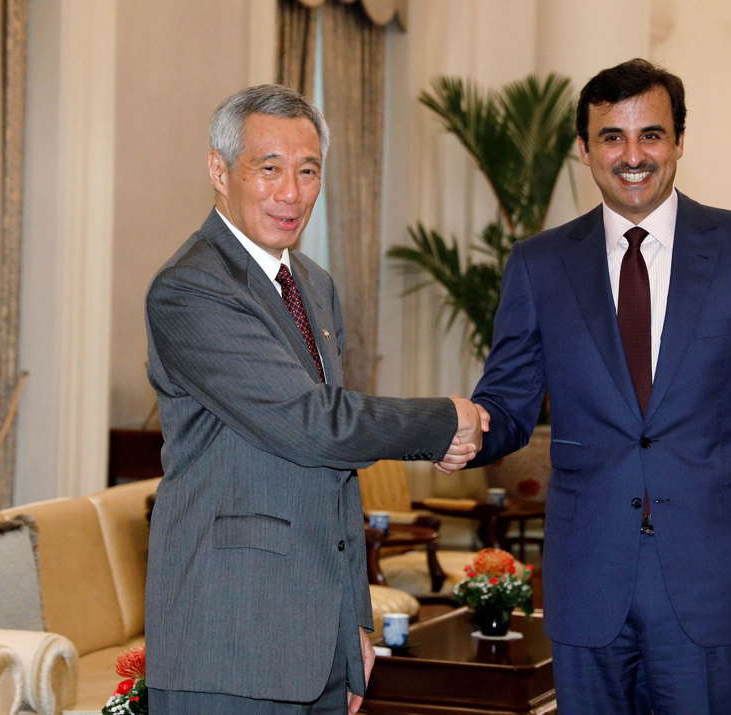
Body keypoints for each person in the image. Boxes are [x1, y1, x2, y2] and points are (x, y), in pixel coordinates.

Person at [455, 59, 731, 713]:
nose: (632, 155)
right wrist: (444, 427)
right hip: (589, 581)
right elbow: (505, 407)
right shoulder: (539, 265)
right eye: (612, 137)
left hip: (712, 584)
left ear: (679, 140)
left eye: (650, 134)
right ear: (585, 148)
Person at [144, 84, 486, 714]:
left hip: (318, 647)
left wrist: (352, 622)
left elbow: (333, 475)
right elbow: (312, 426)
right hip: (230, 646)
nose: (291, 192)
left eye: (308, 170)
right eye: (268, 168)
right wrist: (441, 421)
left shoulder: (313, 284)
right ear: (219, 171)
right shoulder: (191, 287)